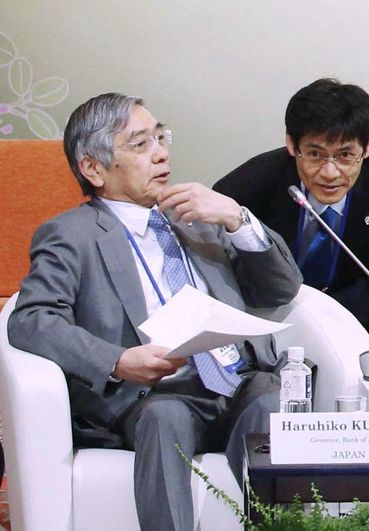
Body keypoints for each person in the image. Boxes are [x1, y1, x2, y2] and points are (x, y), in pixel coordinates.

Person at [7, 93, 302, 531]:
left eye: (160, 137)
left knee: (273, 402)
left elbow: (282, 286)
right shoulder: (71, 235)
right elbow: (30, 320)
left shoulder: (198, 215)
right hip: (158, 394)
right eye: (141, 144)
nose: (162, 153)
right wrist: (118, 361)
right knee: (165, 418)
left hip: (240, 379)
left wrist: (238, 218)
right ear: (94, 168)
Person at [214, 78, 369, 347]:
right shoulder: (246, 188)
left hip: (357, 326)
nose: (330, 173)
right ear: (291, 144)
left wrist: (337, 313)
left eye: (345, 155)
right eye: (314, 154)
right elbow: (222, 273)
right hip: (268, 333)